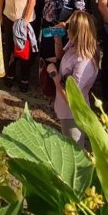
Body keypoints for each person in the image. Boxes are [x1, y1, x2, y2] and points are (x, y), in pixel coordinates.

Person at [44, 10, 99, 148]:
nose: (65, 28)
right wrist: (57, 40)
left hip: (72, 115)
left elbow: (71, 98)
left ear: (77, 32)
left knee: (73, 152)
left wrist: (54, 76)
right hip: (63, 110)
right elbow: (62, 57)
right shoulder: (74, 44)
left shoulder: (84, 63)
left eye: (69, 27)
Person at [0, 0, 36, 92]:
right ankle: (10, 74)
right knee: (10, 47)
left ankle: (24, 78)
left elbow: (32, 1)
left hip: (24, 21)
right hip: (9, 17)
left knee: (23, 50)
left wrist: (25, 21)